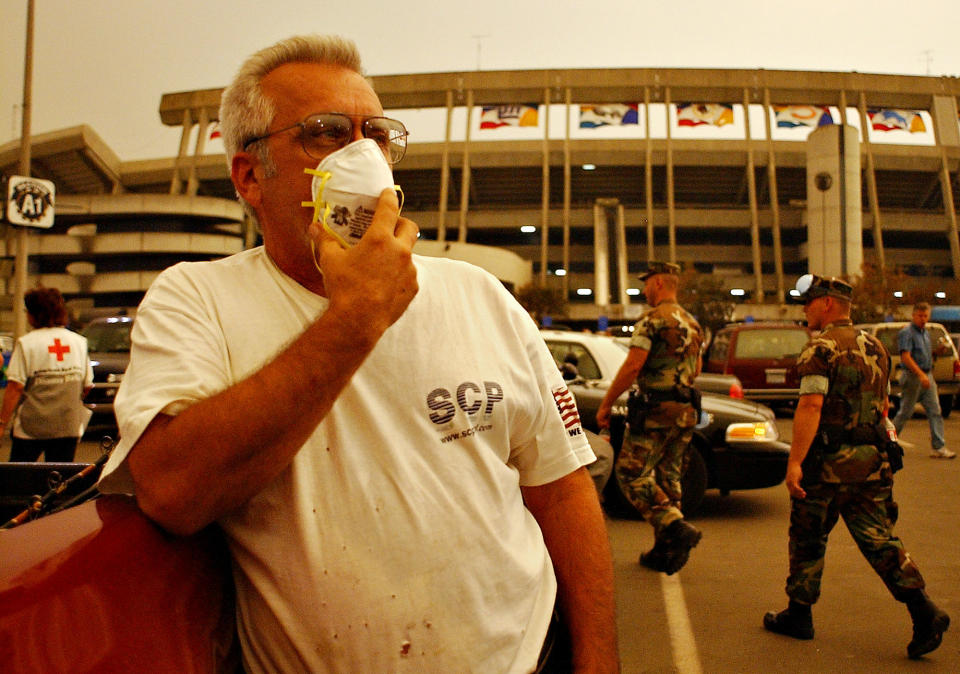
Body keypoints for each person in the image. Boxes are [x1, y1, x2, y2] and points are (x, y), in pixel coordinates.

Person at [97, 34, 617, 673]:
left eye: (377, 134)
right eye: (326, 132)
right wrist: (356, 316)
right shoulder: (196, 299)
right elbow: (172, 490)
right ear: (250, 175)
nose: (364, 154)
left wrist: (598, 660)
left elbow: (561, 490)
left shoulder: (478, 295)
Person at [763, 274, 950, 660]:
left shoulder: (820, 349)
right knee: (879, 539)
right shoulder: (876, 346)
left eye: (809, 302)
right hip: (869, 464)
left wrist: (795, 461)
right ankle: (924, 610)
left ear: (827, 304)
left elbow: (811, 405)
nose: (804, 309)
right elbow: (882, 409)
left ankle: (799, 615)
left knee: (807, 537)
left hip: (826, 466)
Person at [596, 261, 704, 575]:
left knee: (631, 473)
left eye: (646, 284)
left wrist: (607, 403)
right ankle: (665, 550)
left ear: (658, 283)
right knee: (669, 477)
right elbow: (695, 370)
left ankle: (675, 526)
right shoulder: (692, 323)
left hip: (655, 410)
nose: (644, 290)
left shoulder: (652, 320)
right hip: (685, 411)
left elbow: (632, 366)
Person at [1, 286, 93, 462]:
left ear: (33, 314)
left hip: (30, 429)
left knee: (19, 482)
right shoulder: (79, 342)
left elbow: (15, 387)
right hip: (67, 427)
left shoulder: (27, 343)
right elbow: (87, 385)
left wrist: (2, 424)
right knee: (59, 481)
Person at [892, 302, 956, 459]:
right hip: (913, 376)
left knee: (935, 411)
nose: (923, 319)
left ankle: (939, 446)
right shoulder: (907, 333)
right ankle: (889, 442)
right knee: (906, 411)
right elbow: (906, 357)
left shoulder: (925, 333)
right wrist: (920, 374)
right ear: (914, 316)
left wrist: (937, 352)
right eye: (920, 315)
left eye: (925, 316)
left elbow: (925, 356)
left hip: (927, 375)